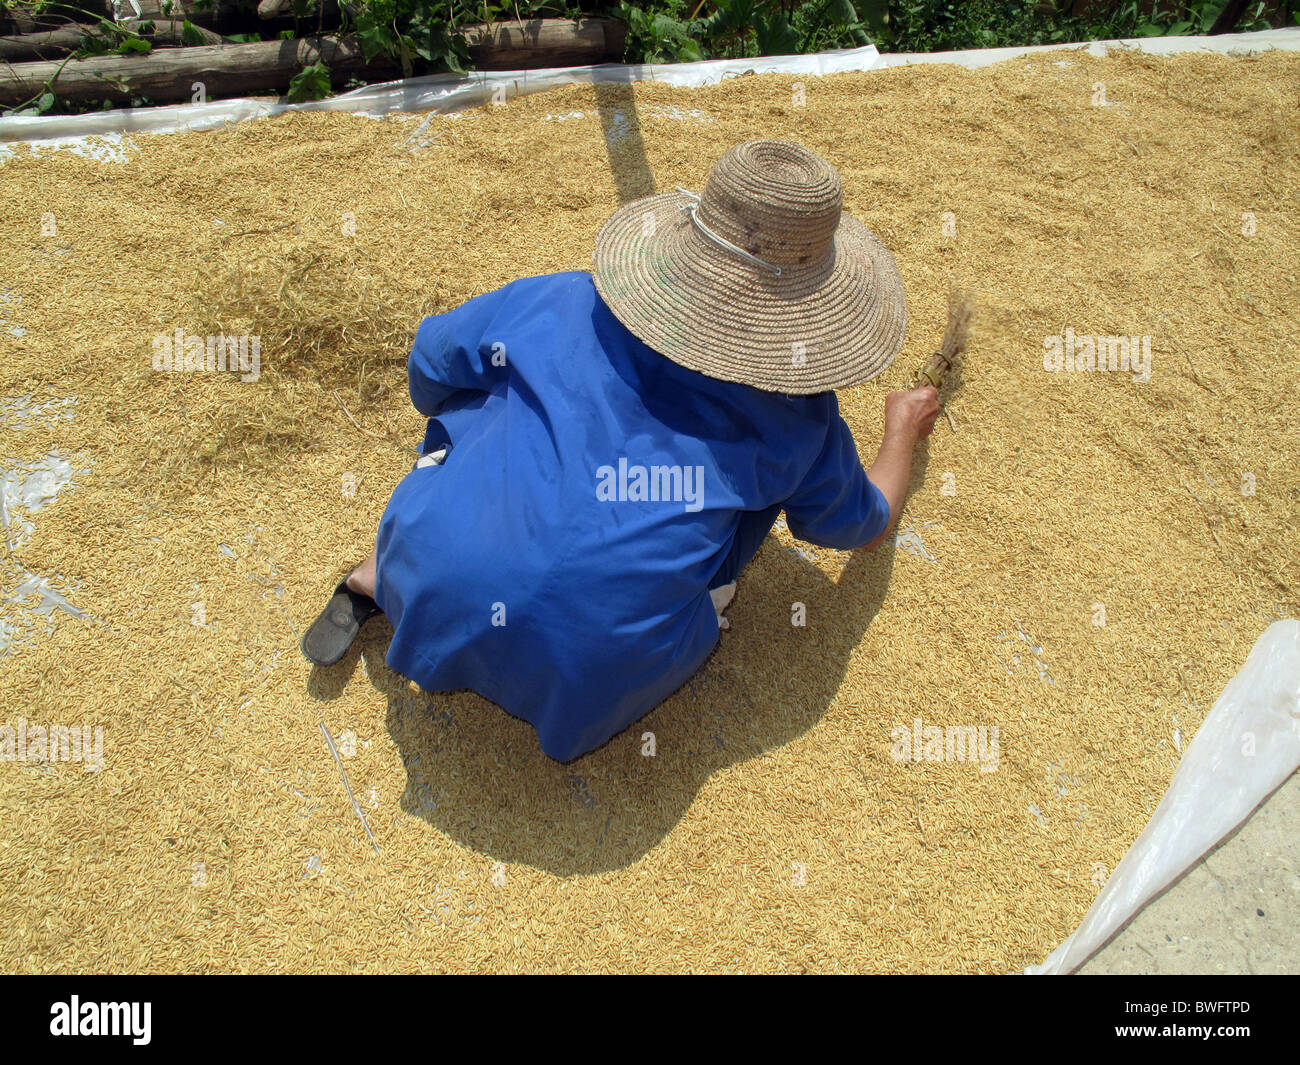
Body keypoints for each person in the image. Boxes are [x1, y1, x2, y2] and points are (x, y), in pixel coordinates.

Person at [302, 138, 940, 762]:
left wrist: (468, 427)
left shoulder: (560, 299)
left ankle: (379, 575)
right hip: (589, 677)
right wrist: (901, 429)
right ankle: (660, 613)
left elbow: (430, 366)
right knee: (750, 501)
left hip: (427, 572)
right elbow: (865, 524)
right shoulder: (802, 420)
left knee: (486, 402)